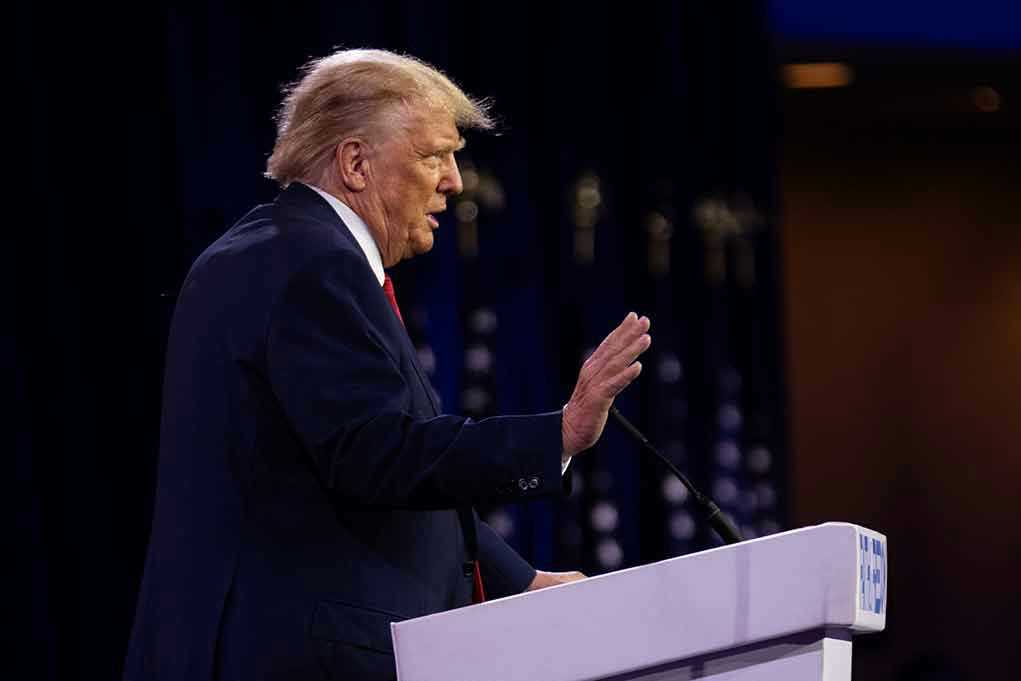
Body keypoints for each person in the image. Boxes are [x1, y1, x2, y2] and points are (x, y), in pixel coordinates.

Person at [124, 48, 651, 681]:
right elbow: (375, 454)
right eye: (434, 156)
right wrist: (557, 434)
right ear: (355, 162)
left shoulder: (280, 252)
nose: (455, 180)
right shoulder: (311, 265)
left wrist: (520, 580)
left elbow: (340, 467)